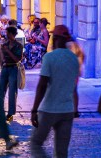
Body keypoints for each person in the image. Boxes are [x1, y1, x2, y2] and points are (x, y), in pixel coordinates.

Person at [30, 25, 80, 158]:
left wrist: (34, 109)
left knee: (35, 143)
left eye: (53, 37)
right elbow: (74, 87)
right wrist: (75, 108)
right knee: (62, 152)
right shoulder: (74, 59)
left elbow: (42, 85)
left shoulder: (49, 57)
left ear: (56, 39)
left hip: (49, 109)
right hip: (67, 109)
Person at [0, 25, 24, 121]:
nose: (6, 34)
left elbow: (17, 59)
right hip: (5, 68)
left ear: (12, 34)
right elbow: (1, 57)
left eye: (7, 33)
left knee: (12, 92)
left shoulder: (19, 46)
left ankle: (10, 113)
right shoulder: (4, 44)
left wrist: (7, 51)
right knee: (1, 90)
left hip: (13, 68)